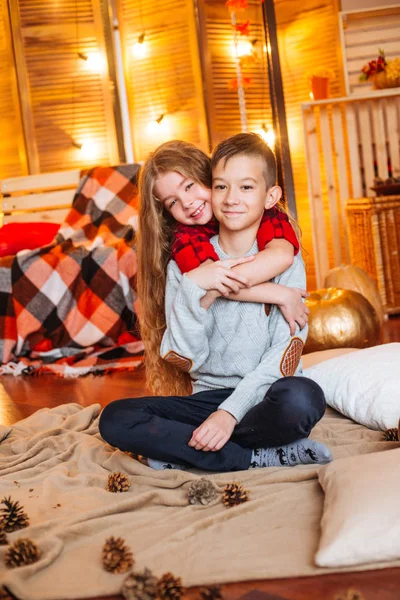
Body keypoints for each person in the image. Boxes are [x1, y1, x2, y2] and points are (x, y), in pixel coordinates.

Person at [99, 133, 331, 472]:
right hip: (209, 397)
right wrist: (194, 287)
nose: (231, 198)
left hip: (265, 395)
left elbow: (282, 359)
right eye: (172, 202)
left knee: (303, 398)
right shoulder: (186, 266)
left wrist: (229, 414)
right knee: (115, 418)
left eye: (192, 187)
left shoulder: (283, 256)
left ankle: (188, 450)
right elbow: (188, 358)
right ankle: (254, 457)